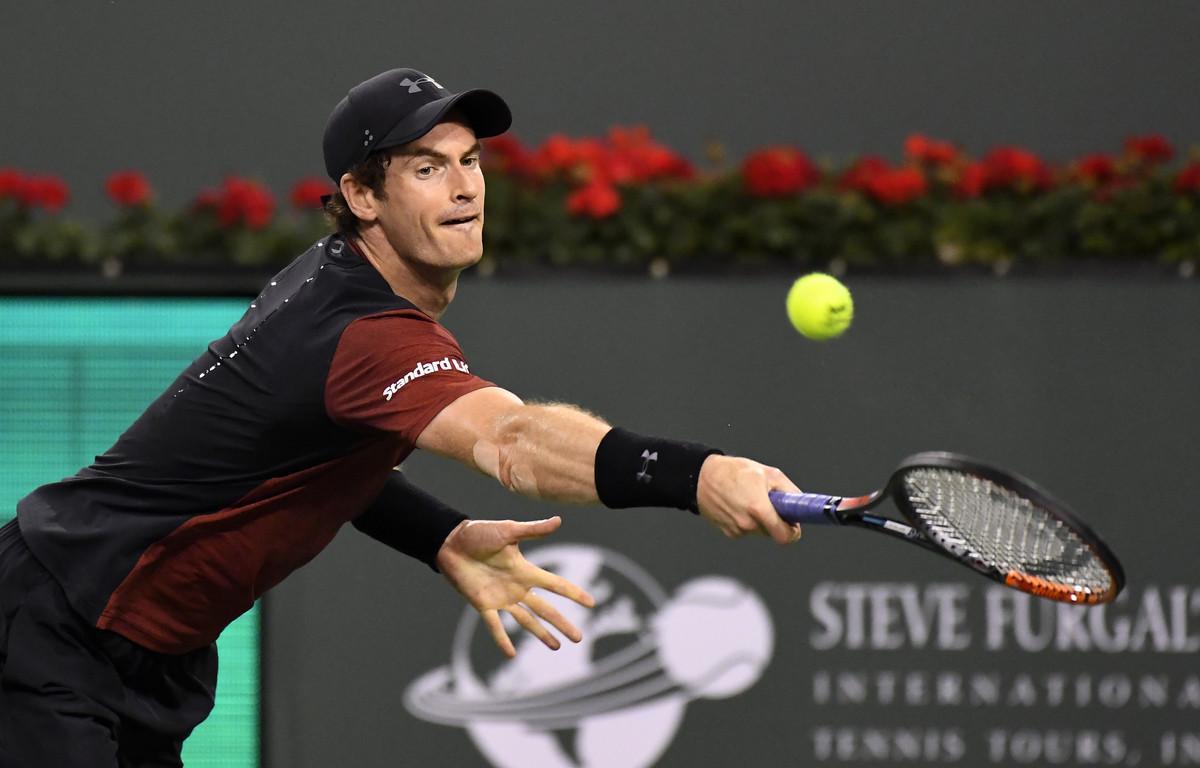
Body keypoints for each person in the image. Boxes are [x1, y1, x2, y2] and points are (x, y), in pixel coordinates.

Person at [0, 67, 802, 767]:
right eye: (426, 168)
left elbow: (308, 451)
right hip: (61, 621)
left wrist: (439, 536)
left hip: (141, 651)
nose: (465, 188)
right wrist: (701, 474)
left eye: (470, 161)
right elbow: (514, 442)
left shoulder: (332, 277)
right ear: (360, 195)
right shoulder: (363, 333)